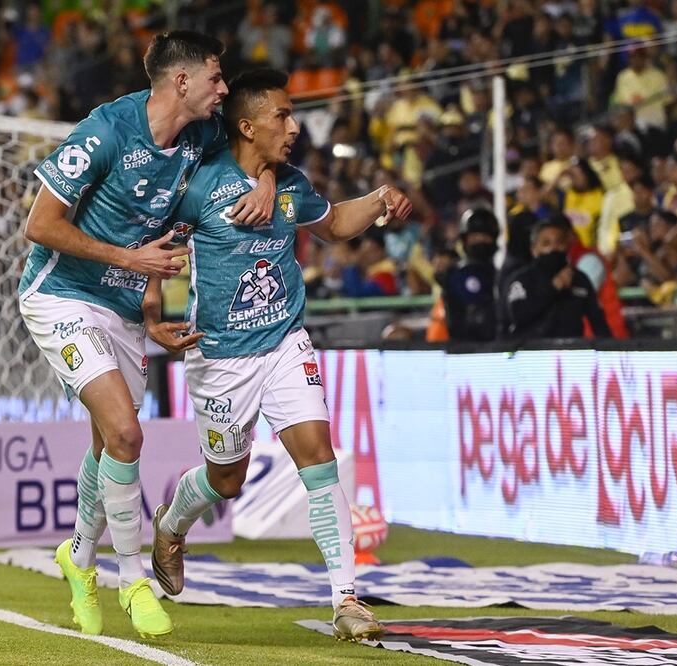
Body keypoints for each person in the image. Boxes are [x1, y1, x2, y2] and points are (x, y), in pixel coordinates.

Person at [18, 30, 275, 639]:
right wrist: (130, 262)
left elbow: (258, 142)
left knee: (110, 443)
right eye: (216, 77)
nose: (224, 89)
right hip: (62, 297)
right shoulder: (104, 132)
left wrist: (265, 176)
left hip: (126, 310)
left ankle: (79, 556)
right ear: (181, 81)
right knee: (128, 431)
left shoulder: (204, 135)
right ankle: (130, 578)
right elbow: (40, 224)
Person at [141, 68, 412, 642]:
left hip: (286, 342)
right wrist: (150, 318)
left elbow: (336, 223)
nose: (293, 126)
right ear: (246, 125)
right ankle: (171, 521)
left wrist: (380, 198)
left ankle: (346, 599)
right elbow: (155, 245)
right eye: (281, 117)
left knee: (318, 458)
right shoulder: (196, 183)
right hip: (219, 357)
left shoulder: (289, 182)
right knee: (226, 479)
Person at [504, 216, 611, 340]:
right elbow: (518, 315)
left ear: (567, 246)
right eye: (546, 243)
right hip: (531, 354)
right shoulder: (522, 280)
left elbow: (598, 322)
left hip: (571, 354)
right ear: (534, 249)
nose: (554, 248)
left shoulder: (579, 279)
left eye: (559, 242)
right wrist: (553, 288)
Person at [439, 207, 498, 342]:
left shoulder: (499, 273)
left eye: (485, 236)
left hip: (495, 347)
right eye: (475, 236)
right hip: (465, 348)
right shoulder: (456, 274)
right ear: (465, 240)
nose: (481, 241)